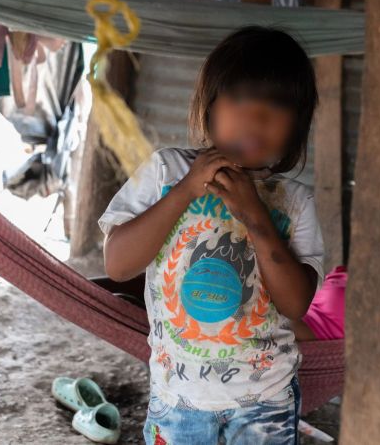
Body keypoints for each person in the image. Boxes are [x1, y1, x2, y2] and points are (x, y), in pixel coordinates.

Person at [99, 26, 324, 445]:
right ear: (210, 104)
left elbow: (295, 303)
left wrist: (254, 213)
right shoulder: (166, 172)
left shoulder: (293, 201)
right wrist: (186, 190)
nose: (255, 117)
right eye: (239, 97)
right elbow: (118, 263)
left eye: (277, 105)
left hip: (266, 401)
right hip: (177, 397)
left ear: (297, 126)